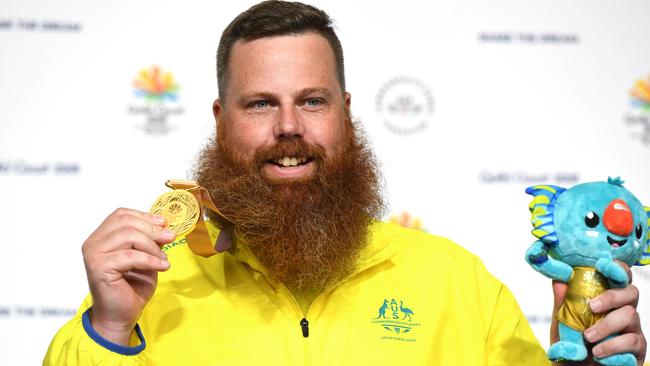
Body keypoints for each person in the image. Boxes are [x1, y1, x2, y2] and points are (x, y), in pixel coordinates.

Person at [44, 1, 646, 365]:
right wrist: (111, 330)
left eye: (311, 100)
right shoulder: (147, 290)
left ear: (346, 112)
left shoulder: (456, 282)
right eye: (259, 104)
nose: (287, 128)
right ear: (221, 122)